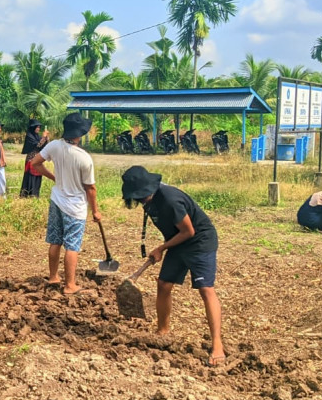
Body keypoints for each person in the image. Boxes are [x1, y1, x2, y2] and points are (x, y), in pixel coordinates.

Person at [121, 166, 226, 366]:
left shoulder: (170, 199)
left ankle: (217, 344)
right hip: (178, 241)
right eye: (137, 197)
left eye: (142, 195)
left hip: (199, 241)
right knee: (163, 284)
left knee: (206, 289)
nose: (141, 200)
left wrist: (162, 248)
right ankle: (162, 331)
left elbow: (189, 231)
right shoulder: (149, 202)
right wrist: (165, 246)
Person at [30, 112, 101, 295]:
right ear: (79, 134)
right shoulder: (83, 158)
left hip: (57, 200)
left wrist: (53, 177)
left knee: (55, 241)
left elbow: (35, 163)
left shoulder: (54, 146)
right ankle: (70, 285)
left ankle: (54, 277)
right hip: (75, 207)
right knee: (72, 245)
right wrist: (95, 211)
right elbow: (90, 188)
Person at [19, 119, 49, 198]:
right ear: (33, 127)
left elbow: (44, 146)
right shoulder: (29, 136)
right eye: (37, 127)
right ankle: (27, 194)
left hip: (38, 160)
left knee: (37, 177)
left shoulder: (37, 136)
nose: (38, 129)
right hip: (31, 160)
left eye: (39, 127)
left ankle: (35, 195)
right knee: (31, 177)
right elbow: (37, 145)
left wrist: (46, 138)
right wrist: (43, 137)